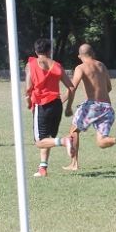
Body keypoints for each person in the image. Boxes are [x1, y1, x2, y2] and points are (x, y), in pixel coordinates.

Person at [63, 43, 116, 171]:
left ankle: (74, 164)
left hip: (92, 106)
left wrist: (63, 103)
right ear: (93, 53)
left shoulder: (80, 67)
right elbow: (109, 87)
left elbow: (72, 88)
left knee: (73, 131)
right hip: (107, 107)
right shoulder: (101, 65)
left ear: (80, 56)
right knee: (101, 142)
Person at [24, 38, 76, 177]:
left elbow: (28, 87)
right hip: (57, 105)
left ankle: (64, 141)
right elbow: (71, 88)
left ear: (36, 51)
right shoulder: (57, 66)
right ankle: (43, 168)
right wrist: (68, 107)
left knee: (40, 142)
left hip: (42, 106)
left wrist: (27, 99)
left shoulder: (32, 64)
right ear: (50, 51)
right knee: (48, 138)